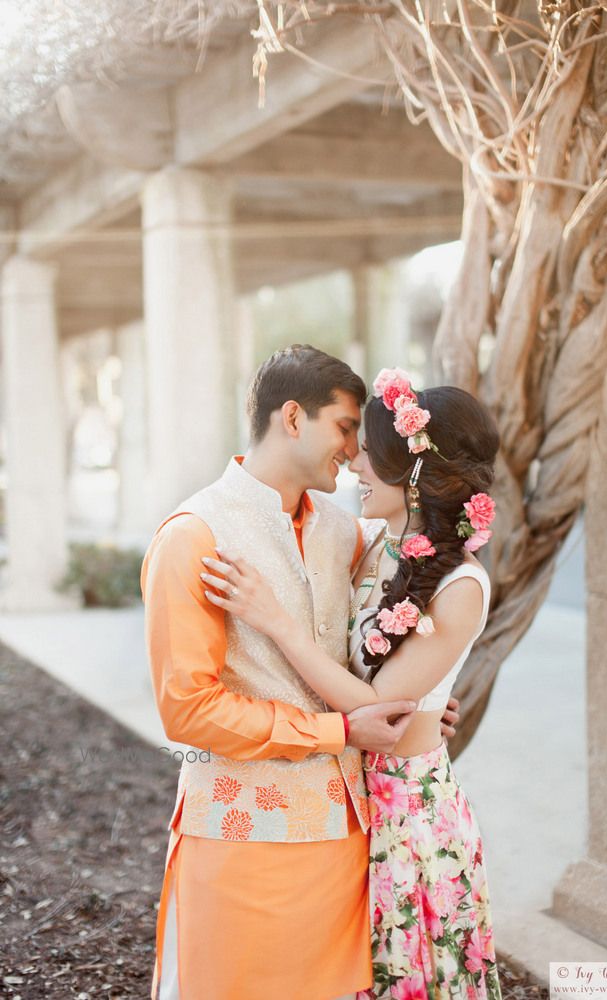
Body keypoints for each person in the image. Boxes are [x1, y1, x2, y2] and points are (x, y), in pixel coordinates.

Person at [141, 346, 461, 1000]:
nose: (355, 449)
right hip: (243, 842)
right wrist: (338, 731)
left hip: (348, 839)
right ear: (292, 417)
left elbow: (365, 653)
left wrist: (416, 709)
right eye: (345, 427)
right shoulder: (193, 536)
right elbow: (189, 712)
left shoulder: (344, 533)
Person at [202, 368, 503, 1000]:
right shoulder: (372, 544)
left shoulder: (461, 588)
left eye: (369, 453)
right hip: (346, 793)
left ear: (412, 473)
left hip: (406, 814)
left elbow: (374, 705)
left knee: (405, 974)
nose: (354, 462)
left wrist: (276, 623)